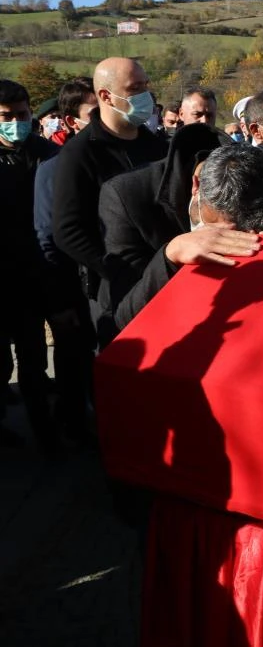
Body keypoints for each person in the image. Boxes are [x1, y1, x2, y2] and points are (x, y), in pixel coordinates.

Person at [98, 128, 263, 340]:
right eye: (222, 231)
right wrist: (170, 256)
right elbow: (123, 316)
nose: (233, 242)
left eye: (248, 232)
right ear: (196, 187)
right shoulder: (125, 196)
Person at [53, 57, 168, 344]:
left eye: (146, 86)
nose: (146, 96)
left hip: (165, 277)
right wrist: (115, 270)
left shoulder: (158, 147)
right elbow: (68, 230)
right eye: (135, 88)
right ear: (106, 96)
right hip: (117, 290)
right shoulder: (79, 154)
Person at [34, 77, 99, 438]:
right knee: (74, 358)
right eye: (94, 113)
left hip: (113, 283)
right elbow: (48, 237)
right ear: (72, 121)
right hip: (74, 286)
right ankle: (74, 423)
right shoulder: (54, 168)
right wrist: (59, 301)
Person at [0, 79, 60, 452]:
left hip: (34, 272)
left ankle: (45, 431)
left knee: (34, 357)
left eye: (22, 115)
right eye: (6, 117)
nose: (16, 123)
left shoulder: (45, 154)